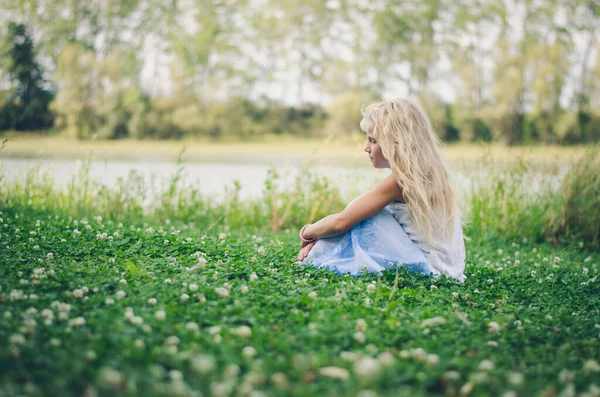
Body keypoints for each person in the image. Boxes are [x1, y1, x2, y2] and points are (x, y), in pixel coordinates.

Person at [296, 98, 467, 282]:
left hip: (430, 270)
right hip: (450, 270)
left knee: (365, 215)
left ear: (396, 144)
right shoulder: (431, 174)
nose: (366, 148)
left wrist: (308, 233)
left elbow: (341, 222)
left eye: (373, 140)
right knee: (367, 209)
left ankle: (317, 256)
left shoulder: (399, 182)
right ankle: (322, 250)